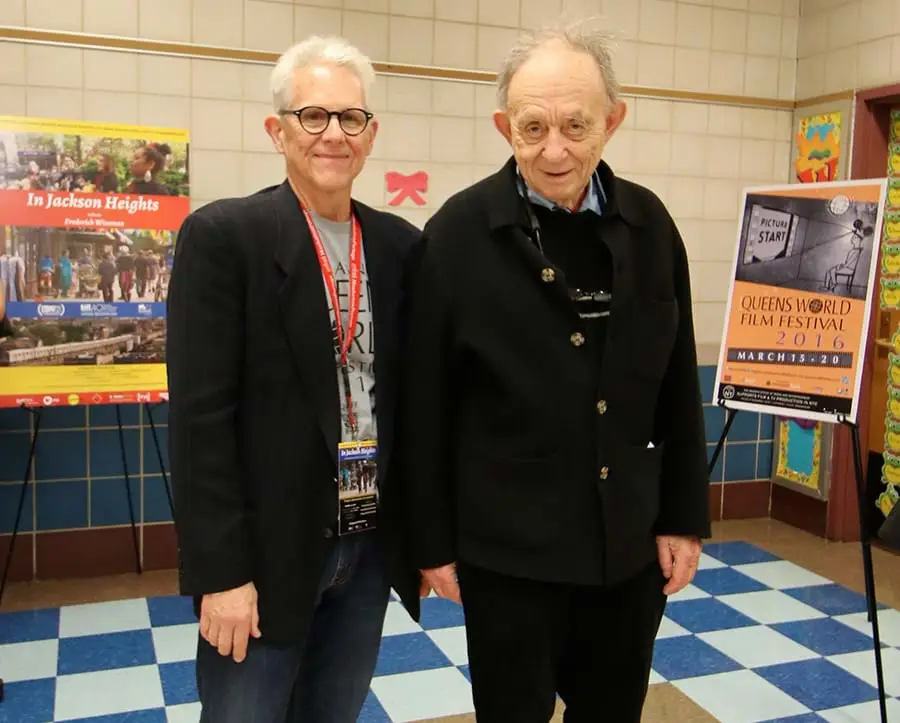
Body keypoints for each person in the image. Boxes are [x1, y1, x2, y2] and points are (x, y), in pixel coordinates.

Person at [393, 23, 710, 723]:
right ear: (505, 125)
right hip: (506, 557)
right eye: (532, 127)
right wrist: (431, 544)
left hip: (626, 550)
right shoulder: (456, 236)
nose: (555, 149)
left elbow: (676, 385)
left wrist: (684, 518)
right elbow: (424, 407)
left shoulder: (651, 228)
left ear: (613, 121)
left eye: (576, 124)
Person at [166, 35, 421, 723]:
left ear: (371, 135)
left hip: (365, 547)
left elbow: (415, 403)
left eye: (350, 118)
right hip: (264, 554)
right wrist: (220, 573)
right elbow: (199, 421)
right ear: (278, 131)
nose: (333, 133)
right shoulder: (226, 239)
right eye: (313, 116)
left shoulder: (401, 248)